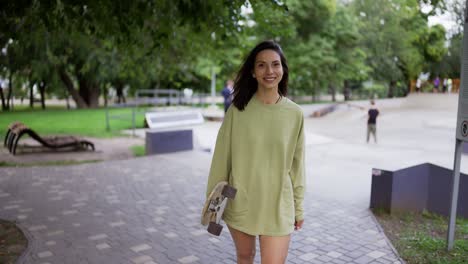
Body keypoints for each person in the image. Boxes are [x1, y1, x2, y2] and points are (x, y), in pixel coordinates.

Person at [205, 40, 305, 264]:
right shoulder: (237, 111)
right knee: (245, 256)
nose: (269, 71)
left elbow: (298, 166)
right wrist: (213, 204)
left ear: (283, 69)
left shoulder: (295, 114)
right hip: (241, 200)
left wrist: (299, 207)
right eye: (261, 65)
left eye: (275, 64)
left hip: (279, 204)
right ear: (252, 71)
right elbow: (222, 161)